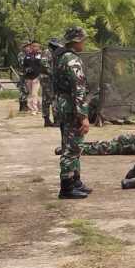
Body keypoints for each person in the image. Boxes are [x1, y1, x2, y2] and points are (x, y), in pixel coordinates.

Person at [55, 26, 92, 199]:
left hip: (63, 106)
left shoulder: (62, 57)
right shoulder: (72, 60)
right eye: (83, 40)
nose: (84, 43)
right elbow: (78, 89)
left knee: (74, 146)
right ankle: (67, 188)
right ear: (76, 41)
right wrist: (83, 116)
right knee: (71, 149)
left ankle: (75, 181)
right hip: (71, 109)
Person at [40, 39, 62, 127]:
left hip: (49, 78)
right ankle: (52, 119)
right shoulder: (47, 52)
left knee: (47, 99)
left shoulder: (53, 53)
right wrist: (53, 73)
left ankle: (48, 119)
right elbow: (44, 63)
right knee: (51, 99)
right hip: (47, 79)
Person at [22, 42, 42, 114]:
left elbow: (43, 66)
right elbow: (24, 66)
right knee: (32, 94)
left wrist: (40, 75)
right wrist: (26, 69)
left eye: (36, 46)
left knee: (34, 93)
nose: (34, 47)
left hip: (37, 77)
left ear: (39, 47)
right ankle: (39, 108)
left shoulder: (41, 56)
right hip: (28, 77)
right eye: (33, 46)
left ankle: (34, 109)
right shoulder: (27, 56)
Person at [16, 44, 30, 113]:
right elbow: (22, 64)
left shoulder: (28, 54)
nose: (28, 48)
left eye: (29, 46)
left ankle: (25, 105)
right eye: (27, 47)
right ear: (24, 47)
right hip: (22, 75)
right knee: (23, 90)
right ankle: (22, 106)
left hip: (26, 75)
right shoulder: (21, 55)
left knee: (26, 91)